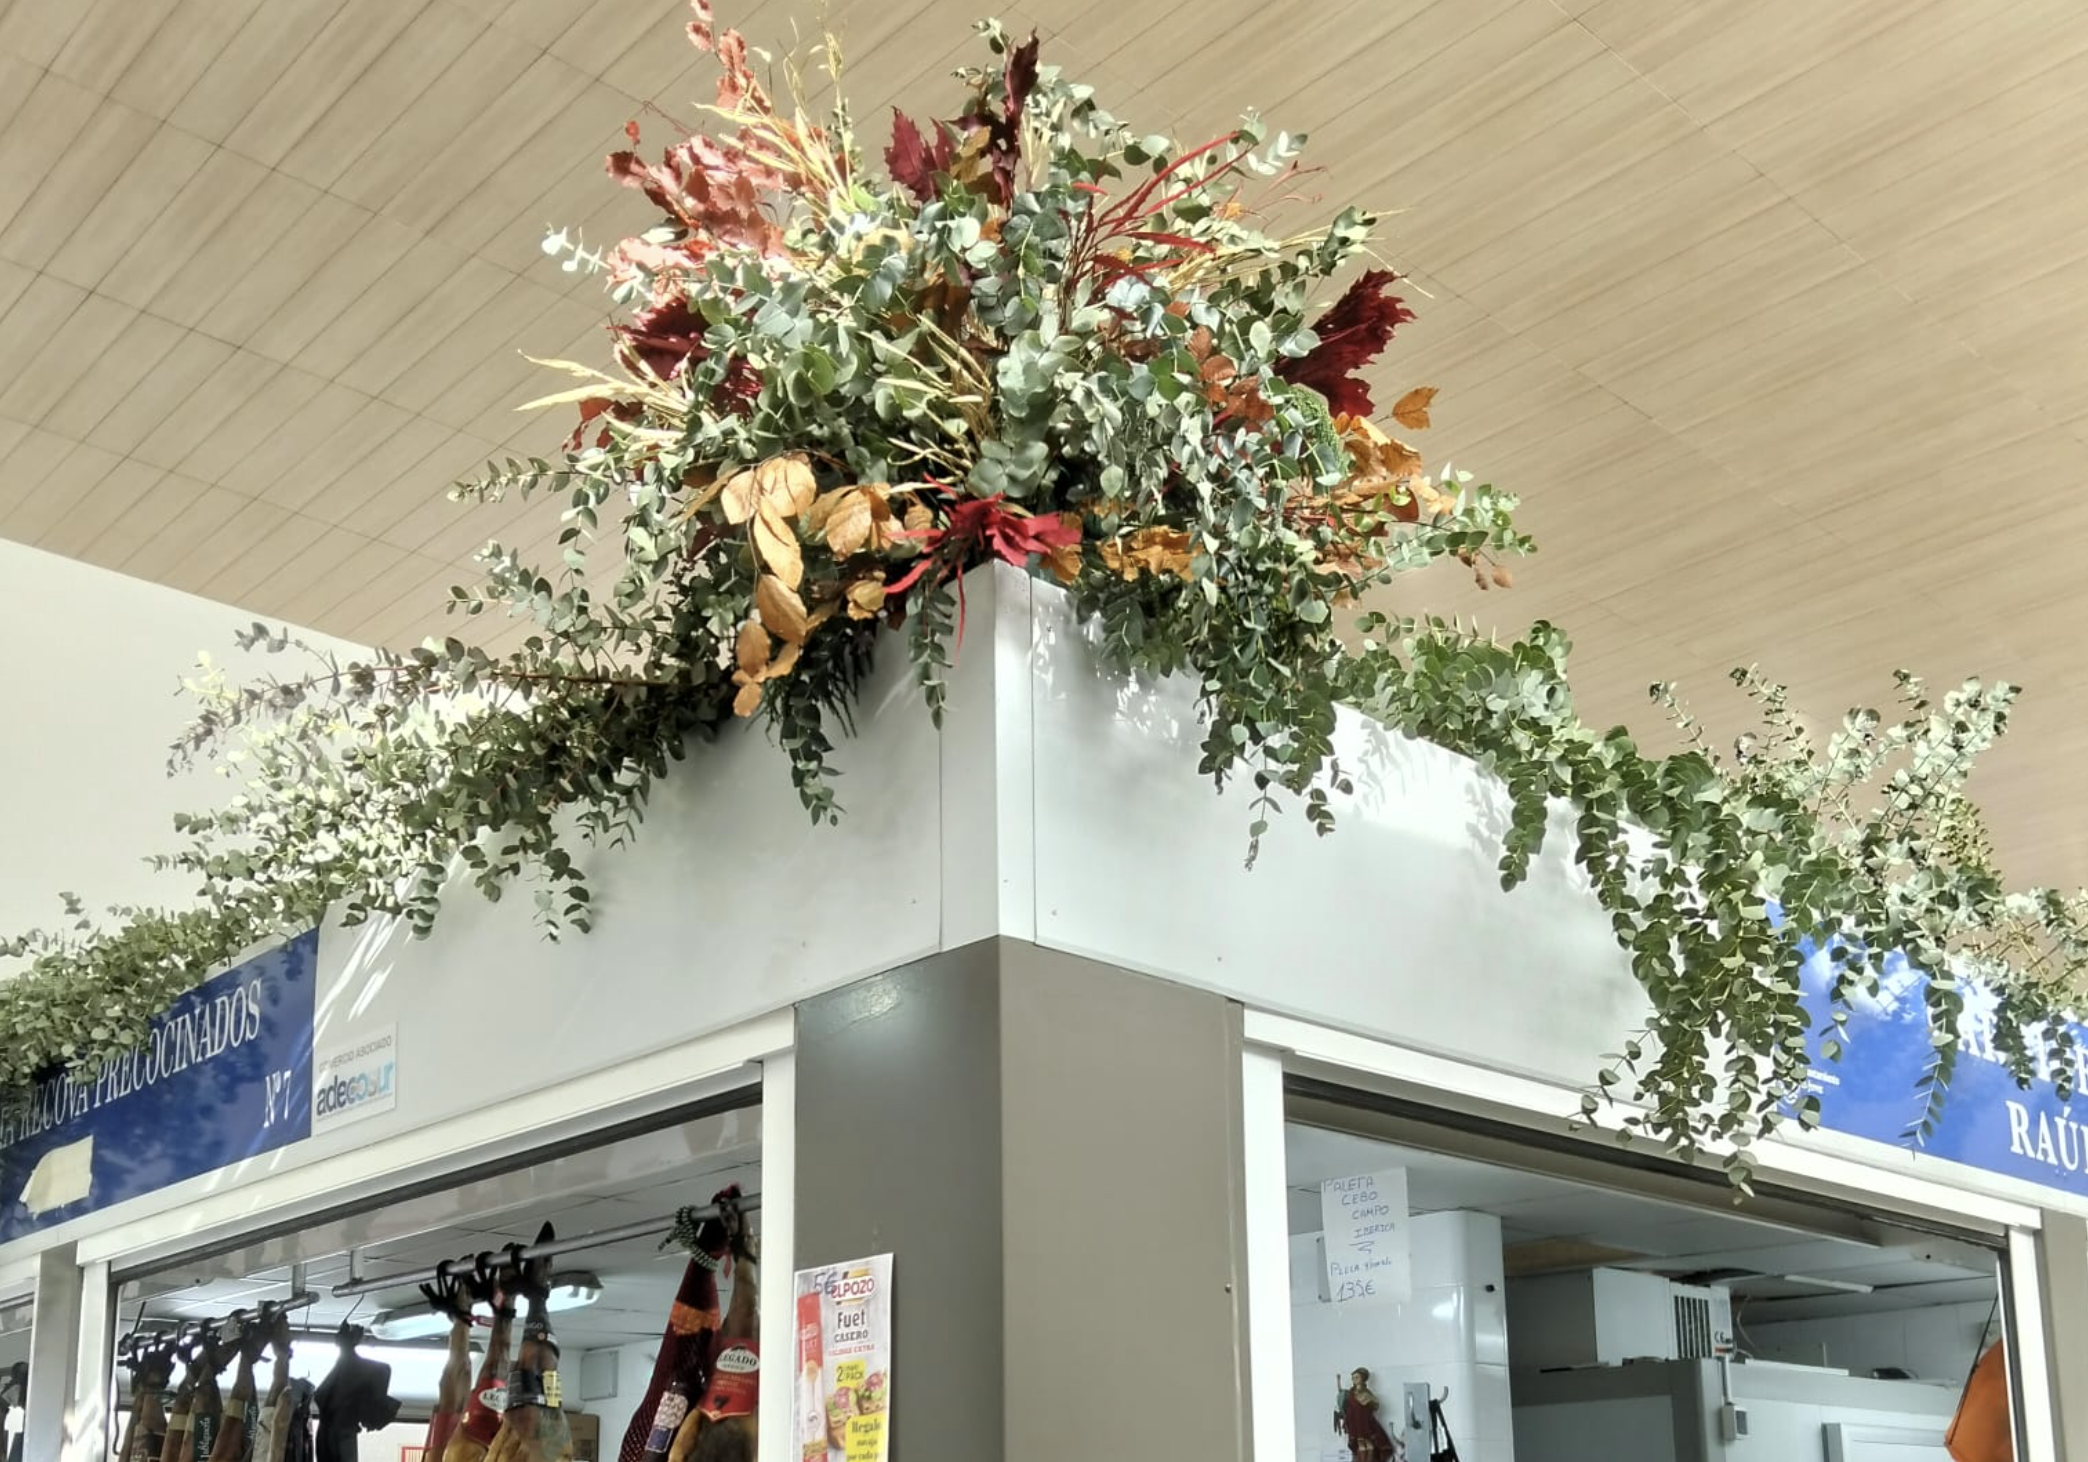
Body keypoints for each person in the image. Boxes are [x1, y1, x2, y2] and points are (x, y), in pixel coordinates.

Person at [1339, 1368, 1400, 1462]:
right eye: (1353, 1378)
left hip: (1365, 1422)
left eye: (1357, 1377)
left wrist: (1369, 1401)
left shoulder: (1366, 1392)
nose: (1354, 1380)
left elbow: (1376, 1405)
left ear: (1363, 1378)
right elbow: (1346, 1406)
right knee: (1361, 1444)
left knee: (1369, 1444)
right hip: (1356, 1422)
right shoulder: (1351, 1393)